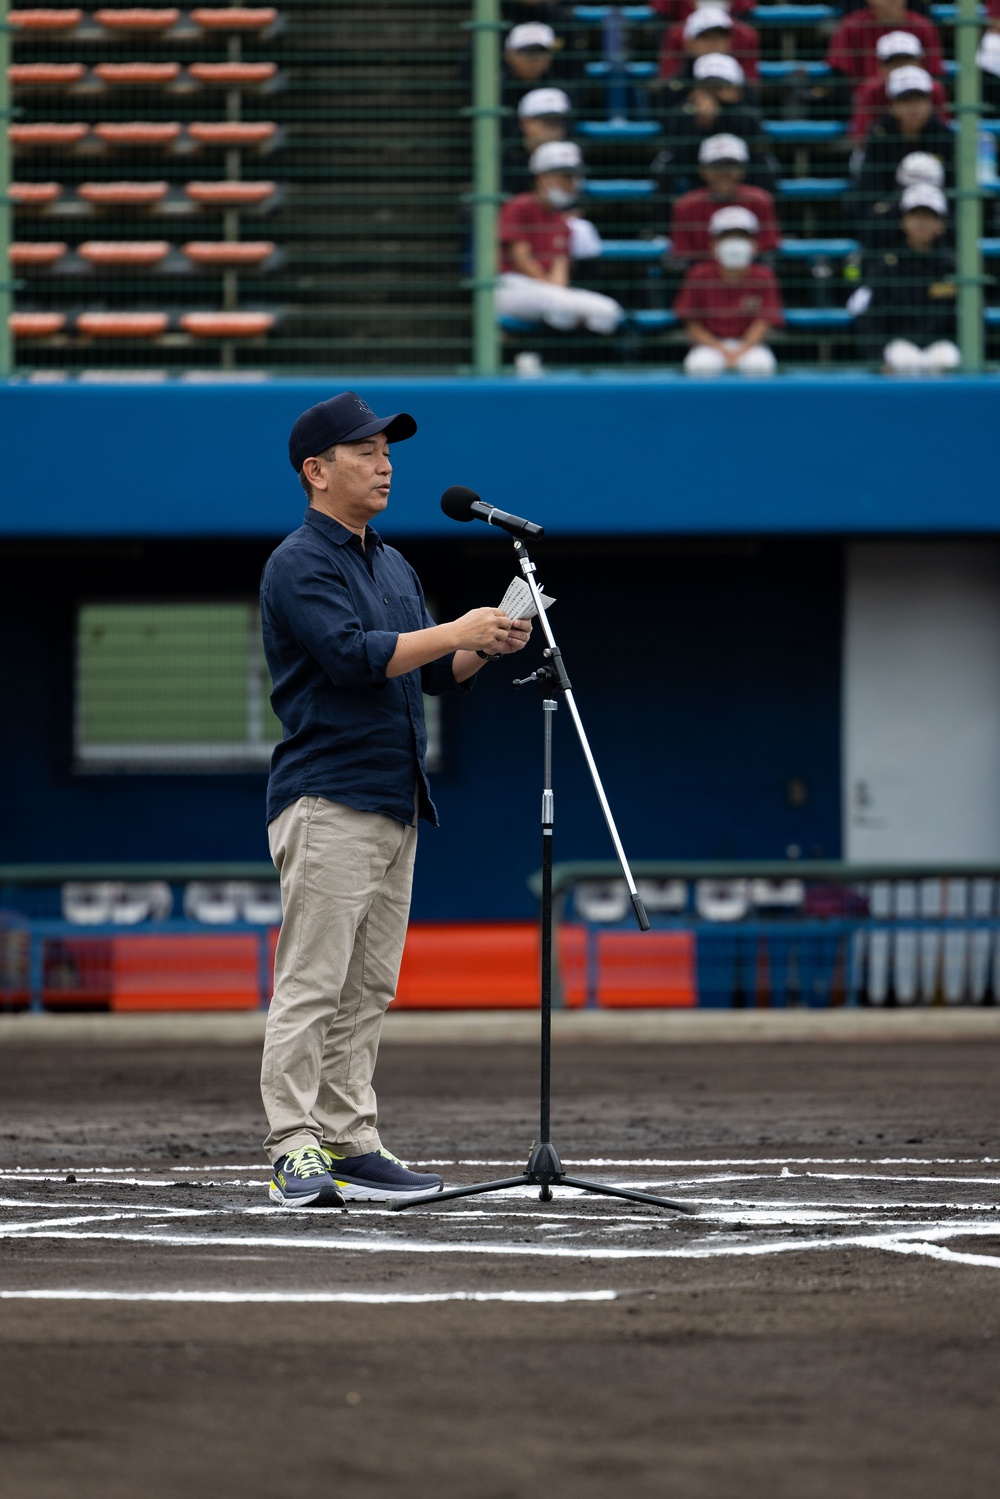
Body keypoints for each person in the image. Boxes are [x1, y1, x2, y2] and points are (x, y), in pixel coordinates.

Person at [260, 392, 533, 1206]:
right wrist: (456, 628)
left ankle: (350, 1139)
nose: (385, 463)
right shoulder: (300, 560)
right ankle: (292, 1144)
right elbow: (352, 658)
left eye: (387, 450)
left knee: (368, 985)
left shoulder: (392, 561)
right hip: (328, 795)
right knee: (312, 980)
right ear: (317, 470)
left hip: (391, 800)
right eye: (365, 450)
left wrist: (485, 643)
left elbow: (428, 676)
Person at [495, 139, 624, 337]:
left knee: (608, 311)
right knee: (561, 307)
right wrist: (554, 291)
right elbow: (521, 260)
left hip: (546, 291)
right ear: (541, 177)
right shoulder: (519, 206)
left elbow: (559, 271)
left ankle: (580, 362)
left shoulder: (562, 223)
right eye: (564, 176)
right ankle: (535, 358)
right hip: (510, 286)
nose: (571, 183)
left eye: (574, 177)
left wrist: (556, 291)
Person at [855, 182, 958, 372]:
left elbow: (967, 319)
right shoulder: (887, 266)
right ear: (903, 221)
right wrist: (878, 359)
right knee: (904, 357)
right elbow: (870, 319)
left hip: (941, 345)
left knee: (946, 357)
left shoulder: (954, 267)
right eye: (915, 215)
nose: (921, 222)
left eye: (929, 216)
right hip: (898, 346)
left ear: (940, 224)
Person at [674, 204, 783, 374]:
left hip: (750, 345)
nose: (734, 243)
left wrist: (741, 350)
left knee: (760, 365)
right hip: (709, 345)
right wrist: (720, 349)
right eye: (726, 237)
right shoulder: (698, 274)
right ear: (713, 244)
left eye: (742, 236)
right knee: (700, 366)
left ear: (754, 244)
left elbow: (764, 321)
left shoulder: (764, 275)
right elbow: (691, 321)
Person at [653, 53, 777, 200]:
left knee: (768, 165)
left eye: (720, 87)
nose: (713, 94)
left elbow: (756, 156)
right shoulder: (683, 113)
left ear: (736, 90)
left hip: (742, 180)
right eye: (707, 87)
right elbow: (679, 157)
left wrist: (721, 117)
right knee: (663, 166)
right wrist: (700, 125)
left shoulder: (748, 116)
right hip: (696, 179)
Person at [853, 65, 953, 231]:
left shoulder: (944, 135)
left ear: (929, 102)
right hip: (890, 220)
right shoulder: (879, 135)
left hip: (937, 220)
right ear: (892, 105)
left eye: (919, 99)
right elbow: (870, 188)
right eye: (905, 100)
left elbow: (953, 187)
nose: (913, 107)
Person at [669, 133, 780, 263]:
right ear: (702, 171)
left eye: (731, 166)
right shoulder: (686, 206)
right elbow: (684, 255)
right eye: (716, 166)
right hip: (703, 278)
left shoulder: (760, 201)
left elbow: (767, 250)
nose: (724, 173)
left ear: (742, 170)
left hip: (751, 277)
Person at [849, 31, 950, 141]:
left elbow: (943, 131)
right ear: (879, 66)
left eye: (907, 60)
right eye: (893, 62)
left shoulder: (933, 89)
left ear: (920, 62)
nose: (901, 67)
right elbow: (860, 137)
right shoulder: (869, 91)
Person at [828, 0, 942, 88]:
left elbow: (934, 74)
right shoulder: (850, 27)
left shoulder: (923, 27)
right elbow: (841, 76)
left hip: (913, 100)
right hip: (869, 104)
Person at [658, 5, 760, 98]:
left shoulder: (742, 83)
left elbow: (754, 112)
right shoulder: (676, 84)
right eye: (704, 37)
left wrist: (731, 103)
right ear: (688, 44)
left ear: (729, 42)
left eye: (719, 36)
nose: (713, 43)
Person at [501, 85, 573, 195]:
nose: (554, 130)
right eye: (547, 121)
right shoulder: (506, 158)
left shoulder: (571, 158)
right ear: (524, 122)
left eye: (558, 122)